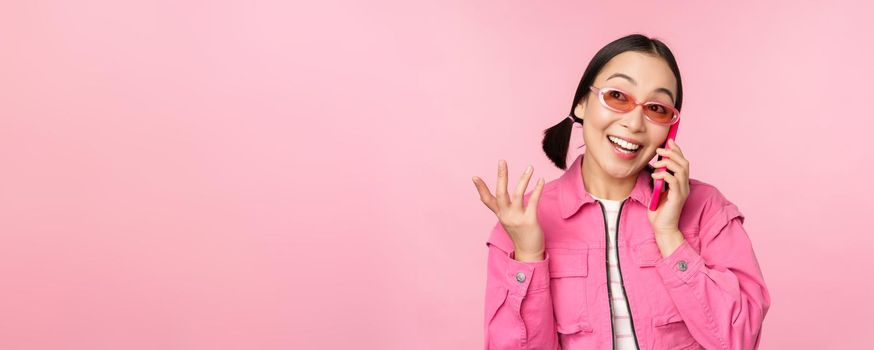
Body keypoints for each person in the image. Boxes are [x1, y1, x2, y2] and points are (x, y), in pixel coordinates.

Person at [471, 34, 771, 350]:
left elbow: (737, 341)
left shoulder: (708, 210)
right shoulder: (523, 220)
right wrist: (529, 255)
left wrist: (670, 236)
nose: (634, 122)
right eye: (617, 96)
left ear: (670, 129)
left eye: (656, 108)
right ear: (582, 104)